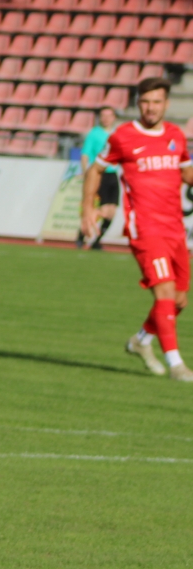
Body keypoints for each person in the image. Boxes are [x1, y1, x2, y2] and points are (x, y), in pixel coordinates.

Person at [79, 76, 193, 381]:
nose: (150, 107)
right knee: (164, 290)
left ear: (166, 104)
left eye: (156, 102)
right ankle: (176, 364)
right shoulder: (124, 136)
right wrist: (88, 207)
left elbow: (186, 173)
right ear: (138, 103)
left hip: (175, 228)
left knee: (179, 299)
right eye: (145, 102)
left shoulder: (175, 135)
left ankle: (141, 341)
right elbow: (96, 169)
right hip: (145, 228)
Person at [79, 105, 121, 249]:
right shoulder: (94, 133)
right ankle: (83, 233)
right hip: (99, 174)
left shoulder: (117, 133)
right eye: (103, 116)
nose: (106, 119)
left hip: (113, 174)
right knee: (101, 209)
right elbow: (85, 154)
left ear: (114, 118)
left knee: (111, 212)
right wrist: (86, 172)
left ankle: (97, 240)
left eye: (109, 116)